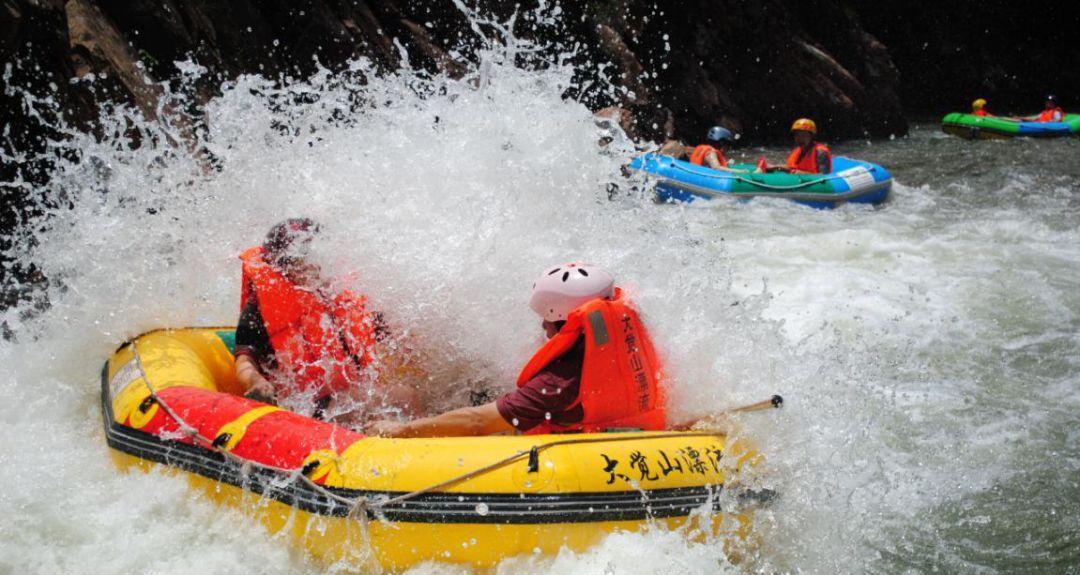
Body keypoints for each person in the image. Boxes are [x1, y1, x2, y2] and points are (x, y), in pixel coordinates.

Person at [366, 263, 667, 438]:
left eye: (547, 322)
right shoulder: (629, 338)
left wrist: (400, 430)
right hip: (633, 435)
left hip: (582, 455)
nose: (543, 329)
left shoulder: (557, 382)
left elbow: (477, 422)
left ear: (564, 322)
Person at [234, 218, 413, 421]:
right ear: (278, 266)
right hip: (302, 403)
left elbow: (385, 333)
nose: (310, 268)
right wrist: (256, 382)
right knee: (386, 398)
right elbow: (245, 358)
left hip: (348, 396)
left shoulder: (341, 296)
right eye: (296, 263)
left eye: (314, 259)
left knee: (406, 394)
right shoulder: (261, 307)